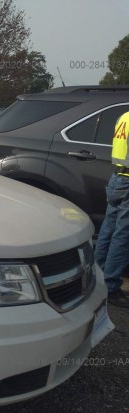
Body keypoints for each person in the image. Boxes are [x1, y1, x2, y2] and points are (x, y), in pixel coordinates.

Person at [94, 110, 129, 307]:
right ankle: (111, 286)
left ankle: (96, 277)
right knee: (123, 236)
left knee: (108, 231)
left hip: (117, 178)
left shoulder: (124, 116)